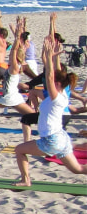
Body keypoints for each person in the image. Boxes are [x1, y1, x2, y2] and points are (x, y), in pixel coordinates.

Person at [13, 27, 86, 186]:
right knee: (78, 169)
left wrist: (47, 55)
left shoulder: (56, 97)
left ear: (57, 84)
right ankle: (25, 179)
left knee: (19, 150)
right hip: (62, 139)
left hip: (52, 141)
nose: (48, 82)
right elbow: (56, 73)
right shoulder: (64, 93)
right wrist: (51, 57)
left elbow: (52, 75)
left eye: (51, 82)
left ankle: (26, 180)